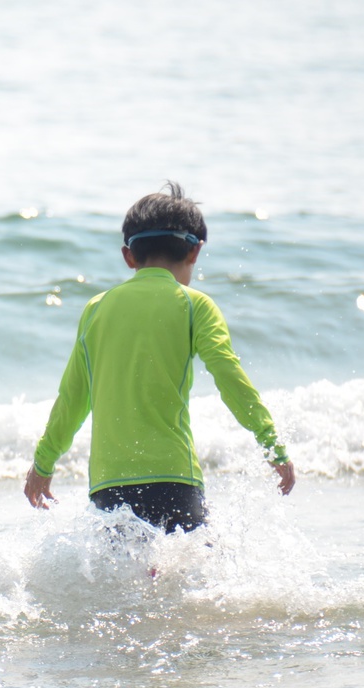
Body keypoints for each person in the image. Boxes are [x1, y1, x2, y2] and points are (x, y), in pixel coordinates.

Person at [23, 182, 295, 533]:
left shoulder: (96, 309)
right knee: (195, 580)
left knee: (120, 584)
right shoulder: (196, 305)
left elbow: (73, 397)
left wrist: (43, 464)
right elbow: (231, 378)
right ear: (195, 251)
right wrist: (271, 445)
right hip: (174, 480)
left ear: (128, 256)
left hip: (110, 486)